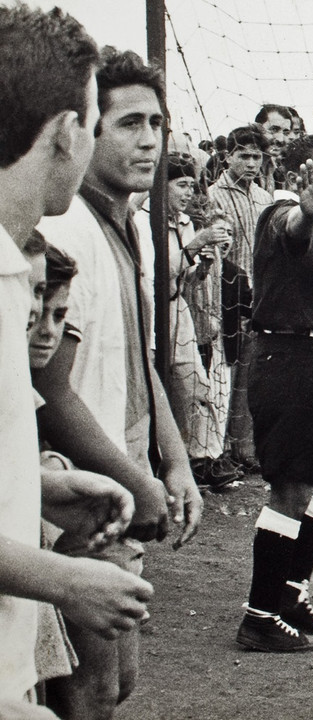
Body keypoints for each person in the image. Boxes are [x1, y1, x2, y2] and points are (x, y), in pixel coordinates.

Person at [35, 47, 202, 716]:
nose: (150, 140)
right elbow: (49, 387)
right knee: (88, 690)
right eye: (129, 122)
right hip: (77, 495)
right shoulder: (66, 225)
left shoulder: (134, 224)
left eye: (157, 124)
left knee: (116, 683)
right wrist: (136, 481)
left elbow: (142, 360)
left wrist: (179, 461)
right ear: (87, 128)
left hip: (122, 480)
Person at [0, 9, 156, 715]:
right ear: (69, 132)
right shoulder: (27, 266)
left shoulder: (14, 264)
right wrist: (62, 580)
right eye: (105, 122)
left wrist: (33, 483)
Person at [235, 133, 313, 652]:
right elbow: (293, 231)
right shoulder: (282, 215)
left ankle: (289, 590)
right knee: (291, 488)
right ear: (293, 179)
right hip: (291, 361)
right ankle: (259, 616)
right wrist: (306, 214)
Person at [133, 154, 240, 487]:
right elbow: (156, 273)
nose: (188, 193)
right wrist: (195, 245)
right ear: (159, 186)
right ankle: (151, 465)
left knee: (193, 384)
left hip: (178, 309)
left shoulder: (184, 221)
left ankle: (201, 460)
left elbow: (186, 278)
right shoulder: (142, 219)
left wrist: (203, 267)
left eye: (192, 186)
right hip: (151, 309)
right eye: (181, 185)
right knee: (151, 385)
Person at [207, 125, 274, 473]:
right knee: (225, 371)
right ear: (227, 156)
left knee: (254, 371)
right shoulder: (213, 195)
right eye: (244, 155)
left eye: (256, 156)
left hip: (259, 294)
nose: (251, 163)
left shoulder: (265, 197)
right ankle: (219, 449)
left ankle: (245, 447)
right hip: (225, 293)